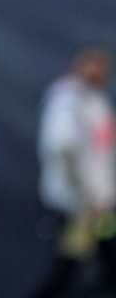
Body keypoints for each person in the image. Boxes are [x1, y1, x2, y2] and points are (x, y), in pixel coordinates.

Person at [31, 47, 116, 298]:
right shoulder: (68, 100)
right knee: (67, 266)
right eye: (92, 65)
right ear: (78, 67)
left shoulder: (95, 101)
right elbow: (61, 145)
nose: (98, 72)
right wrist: (84, 194)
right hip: (78, 208)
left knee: (106, 255)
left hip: (99, 206)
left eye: (102, 67)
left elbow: (102, 152)